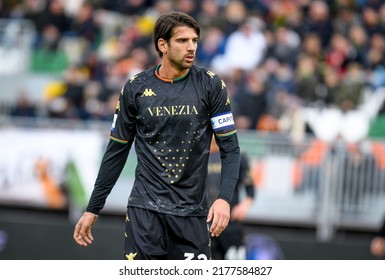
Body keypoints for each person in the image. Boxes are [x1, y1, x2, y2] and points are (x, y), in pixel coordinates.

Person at [73, 11, 240, 260]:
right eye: (183, 41)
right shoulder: (135, 88)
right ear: (162, 45)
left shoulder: (211, 85)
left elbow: (230, 149)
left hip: (193, 214)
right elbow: (116, 152)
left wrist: (225, 199)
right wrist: (93, 208)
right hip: (145, 212)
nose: (191, 47)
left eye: (194, 40)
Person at [207, 136, 254, 260]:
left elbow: (250, 188)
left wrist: (245, 205)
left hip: (230, 222)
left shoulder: (236, 156)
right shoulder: (200, 155)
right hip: (205, 221)